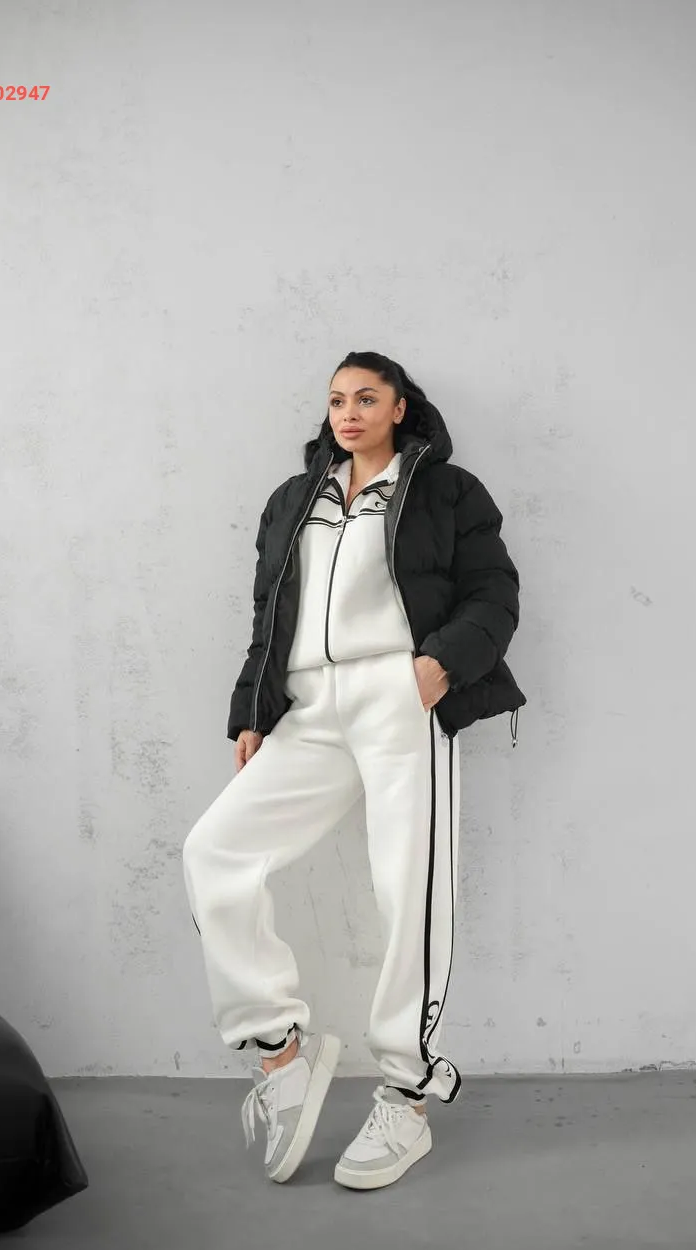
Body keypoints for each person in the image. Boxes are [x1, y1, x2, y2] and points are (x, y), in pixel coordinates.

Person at [182, 350, 526, 1191]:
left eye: (366, 398)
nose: (348, 412)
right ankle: (279, 1051)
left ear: (400, 407)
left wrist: (438, 667)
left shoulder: (447, 492)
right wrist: (253, 710)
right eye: (337, 399)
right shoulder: (294, 498)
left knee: (407, 890)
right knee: (215, 852)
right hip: (307, 707)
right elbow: (268, 612)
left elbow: (494, 594)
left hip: (398, 698)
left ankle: (406, 1096)